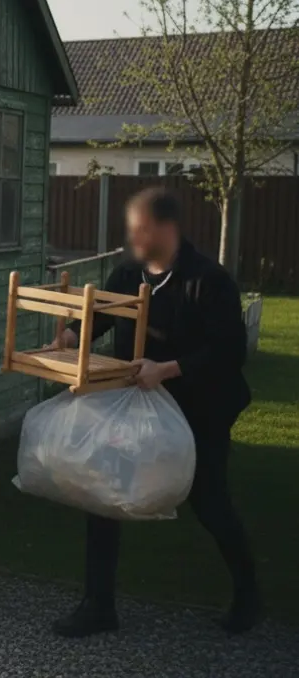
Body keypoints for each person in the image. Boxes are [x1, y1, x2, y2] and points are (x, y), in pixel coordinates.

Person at [50, 187, 260, 637]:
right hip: (135, 407)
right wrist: (68, 336)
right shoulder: (128, 274)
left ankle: (249, 596)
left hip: (199, 409)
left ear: (167, 228)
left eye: (140, 229)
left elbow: (230, 351)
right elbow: (102, 316)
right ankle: (98, 605)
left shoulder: (208, 281)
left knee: (209, 501)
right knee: (102, 494)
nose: (133, 237)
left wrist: (166, 369)